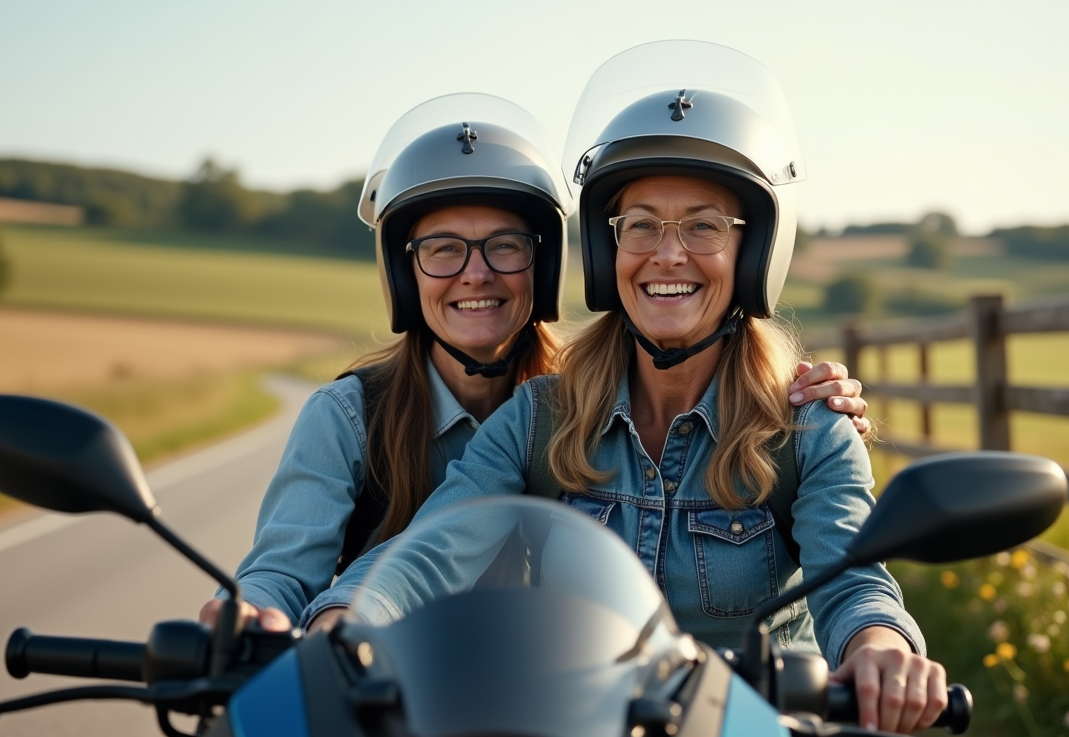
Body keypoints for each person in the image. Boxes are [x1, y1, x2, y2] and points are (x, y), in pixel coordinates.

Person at [303, 43, 945, 737]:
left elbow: (852, 574)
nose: (667, 254)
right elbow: (439, 543)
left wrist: (879, 647)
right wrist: (346, 618)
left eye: (703, 225)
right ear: (610, 250)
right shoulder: (543, 414)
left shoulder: (805, 424)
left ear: (751, 251)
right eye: (640, 225)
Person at [198, 92, 869, 634]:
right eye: (442, 250)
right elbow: (415, 548)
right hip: (407, 695)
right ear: (405, 275)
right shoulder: (509, 417)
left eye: (505, 247)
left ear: (544, 265)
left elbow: (853, 572)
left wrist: (878, 642)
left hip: (655, 721)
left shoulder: (569, 402)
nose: (475, 275)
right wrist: (307, 616)